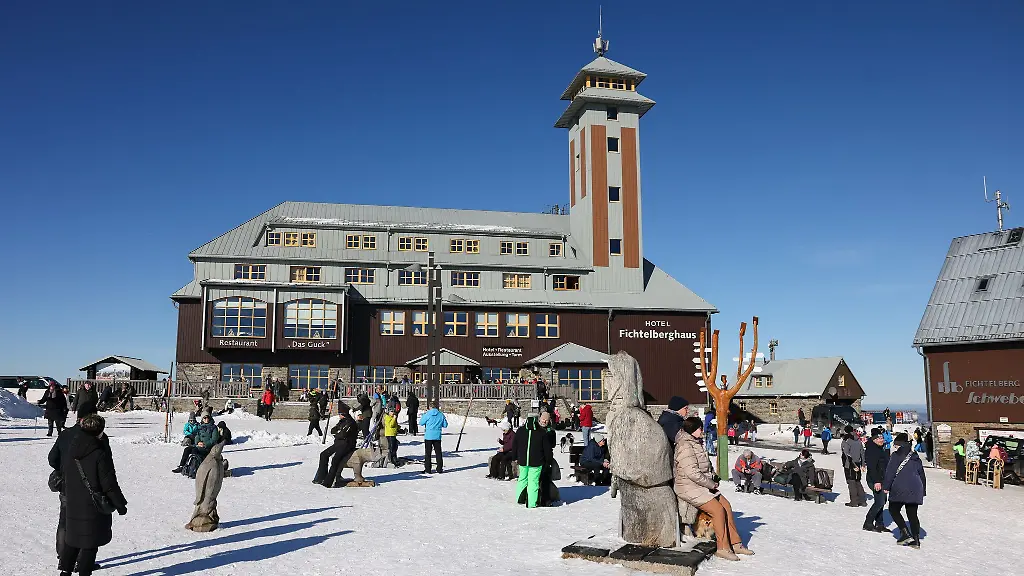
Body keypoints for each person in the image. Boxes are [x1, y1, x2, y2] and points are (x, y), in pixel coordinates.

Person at [50, 414, 127, 576]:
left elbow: (56, 463)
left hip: (72, 500)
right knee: (89, 544)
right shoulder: (99, 453)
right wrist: (120, 505)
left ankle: (65, 572)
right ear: (99, 431)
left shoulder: (72, 448)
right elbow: (109, 484)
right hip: (92, 505)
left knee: (72, 540)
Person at [672, 416, 753, 561]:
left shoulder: (696, 443)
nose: (702, 430)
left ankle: (735, 543)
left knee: (726, 506)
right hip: (688, 487)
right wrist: (710, 484)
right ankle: (722, 547)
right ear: (692, 430)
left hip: (701, 485)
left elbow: (706, 466)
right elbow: (692, 472)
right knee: (718, 510)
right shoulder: (685, 445)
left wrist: (714, 477)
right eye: (699, 428)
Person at [884, 432, 926, 548]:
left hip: (900, 487)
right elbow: (921, 474)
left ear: (900, 444)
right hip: (916, 487)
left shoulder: (896, 456)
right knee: (912, 514)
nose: (895, 447)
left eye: (896, 444)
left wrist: (886, 487)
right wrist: (924, 490)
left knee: (893, 509)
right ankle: (916, 540)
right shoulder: (915, 456)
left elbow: (890, 472)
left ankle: (905, 533)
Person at [313, 403, 358, 487]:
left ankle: (328, 481)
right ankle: (321, 477)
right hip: (338, 443)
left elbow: (343, 434)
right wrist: (338, 433)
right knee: (323, 454)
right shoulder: (342, 421)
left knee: (335, 459)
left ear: (343, 414)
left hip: (347, 444)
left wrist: (338, 433)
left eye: (340, 413)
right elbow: (333, 430)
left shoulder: (350, 422)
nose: (339, 415)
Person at [514, 415, 551, 508]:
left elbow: (514, 445)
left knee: (522, 479)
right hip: (536, 462)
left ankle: (519, 499)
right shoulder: (542, 432)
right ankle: (531, 503)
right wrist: (548, 461)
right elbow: (547, 449)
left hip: (522, 461)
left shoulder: (520, 431)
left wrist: (515, 457)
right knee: (533, 482)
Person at [863, 428, 890, 532]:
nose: (881, 440)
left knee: (882, 501)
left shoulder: (880, 448)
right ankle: (868, 523)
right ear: (874, 439)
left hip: (882, 479)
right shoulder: (872, 450)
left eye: (882, 438)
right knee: (879, 502)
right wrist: (876, 481)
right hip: (875, 480)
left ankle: (880, 524)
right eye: (879, 438)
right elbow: (872, 467)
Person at [841, 425, 868, 507]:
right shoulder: (858, 440)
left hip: (849, 464)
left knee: (851, 481)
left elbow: (846, 454)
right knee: (857, 481)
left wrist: (852, 465)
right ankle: (862, 500)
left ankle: (854, 501)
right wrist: (863, 464)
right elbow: (862, 453)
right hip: (858, 462)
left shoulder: (847, 440)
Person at [419, 401, 448, 474]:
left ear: (430, 407)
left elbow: (421, 423)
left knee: (428, 453)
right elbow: (445, 425)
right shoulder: (441, 414)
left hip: (428, 436)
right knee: (438, 453)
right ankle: (439, 468)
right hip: (437, 436)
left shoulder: (427, 414)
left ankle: (428, 469)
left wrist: (425, 415)